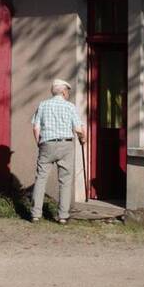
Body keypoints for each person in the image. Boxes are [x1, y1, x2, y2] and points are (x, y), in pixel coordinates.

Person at [30, 79, 85, 224]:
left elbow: (36, 127)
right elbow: (78, 129)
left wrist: (40, 144)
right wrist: (83, 139)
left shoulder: (43, 105)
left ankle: (36, 214)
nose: (68, 94)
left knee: (41, 178)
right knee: (65, 181)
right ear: (63, 92)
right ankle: (62, 216)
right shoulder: (70, 107)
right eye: (67, 91)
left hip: (46, 144)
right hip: (65, 145)